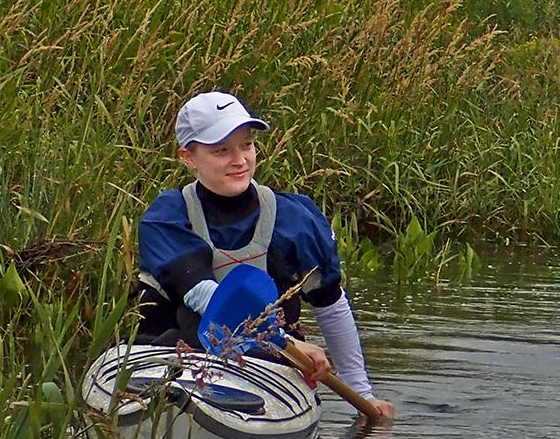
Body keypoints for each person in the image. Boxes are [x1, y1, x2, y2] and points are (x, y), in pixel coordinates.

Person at [134, 90, 396, 419]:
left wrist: (362, 393)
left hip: (267, 365)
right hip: (179, 350)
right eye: (221, 150)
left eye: (246, 145)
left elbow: (330, 304)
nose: (240, 160)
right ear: (188, 157)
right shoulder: (166, 218)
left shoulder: (294, 219)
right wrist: (286, 341)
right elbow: (204, 296)